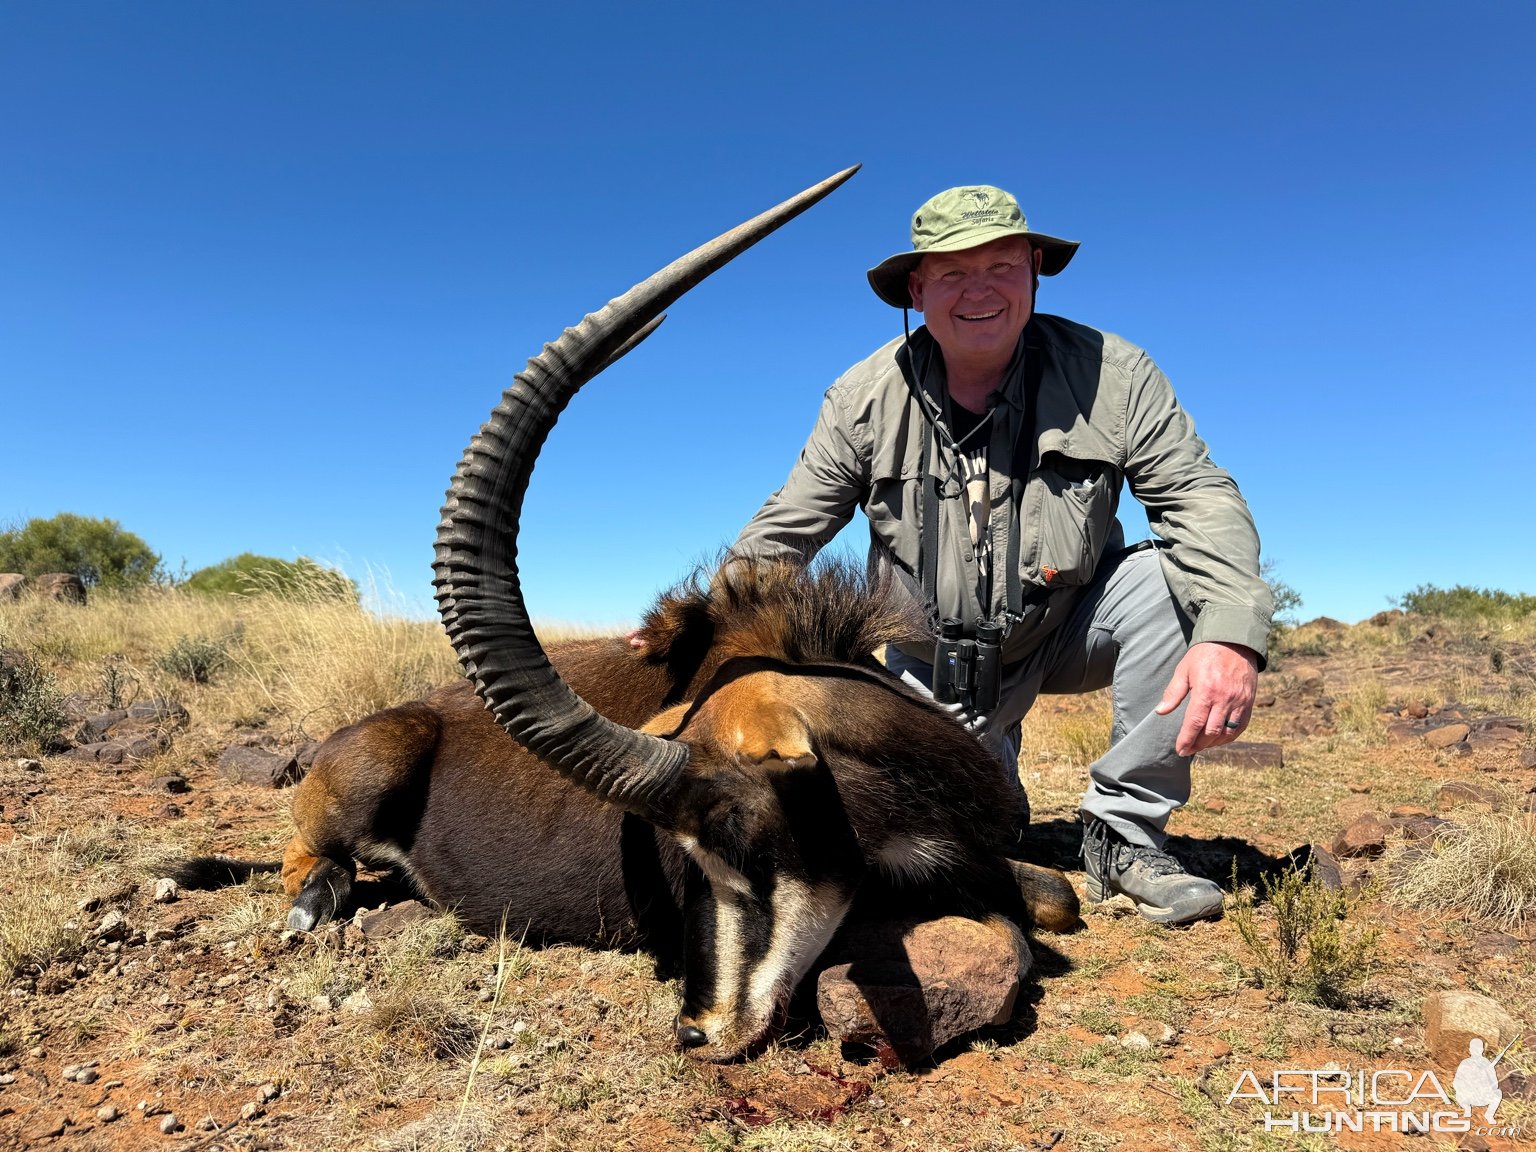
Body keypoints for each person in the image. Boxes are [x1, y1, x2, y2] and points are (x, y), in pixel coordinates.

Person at [725, 184, 1273, 925]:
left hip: (1066, 630)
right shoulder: (861, 396)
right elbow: (786, 531)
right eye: (951, 273)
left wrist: (1232, 635)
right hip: (926, 662)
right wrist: (705, 621)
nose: (977, 290)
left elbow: (1197, 495)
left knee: (1176, 583)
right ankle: (992, 781)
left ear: (1035, 271)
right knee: (956, 833)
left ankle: (1123, 835)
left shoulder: (1115, 374)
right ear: (916, 291)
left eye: (1000, 266)